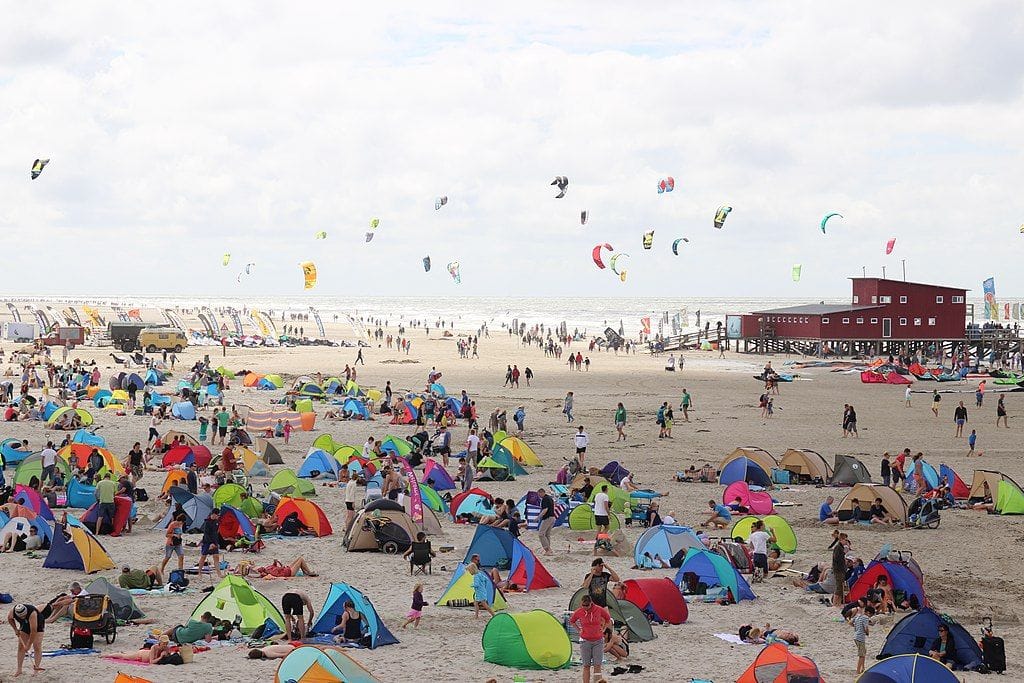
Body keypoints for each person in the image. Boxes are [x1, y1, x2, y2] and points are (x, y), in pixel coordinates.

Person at [569, 594, 612, 683]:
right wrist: (579, 630)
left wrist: (603, 628)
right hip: (585, 641)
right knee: (586, 666)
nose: (585, 607)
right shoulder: (580, 611)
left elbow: (608, 619)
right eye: (583, 605)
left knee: (597, 665)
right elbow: (572, 621)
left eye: (587, 605)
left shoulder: (599, 609)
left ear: (591, 603)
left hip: (598, 641)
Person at [8, 603, 45, 676]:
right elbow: (10, 619)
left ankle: (36, 669)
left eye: (24, 616)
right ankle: (19, 669)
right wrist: (15, 629)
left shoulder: (32, 613)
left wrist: (28, 645)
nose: (23, 617)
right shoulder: (13, 611)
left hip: (38, 625)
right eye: (21, 616)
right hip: (24, 625)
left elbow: (33, 632)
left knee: (37, 645)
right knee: (21, 646)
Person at [197, 509, 224, 580]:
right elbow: (206, 534)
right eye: (217, 515)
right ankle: (199, 572)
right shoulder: (207, 522)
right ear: (214, 514)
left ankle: (219, 574)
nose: (218, 516)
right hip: (207, 542)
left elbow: (216, 533)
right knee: (203, 557)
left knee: (216, 557)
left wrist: (216, 543)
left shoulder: (217, 522)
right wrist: (210, 543)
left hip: (214, 541)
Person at [109, 635, 173, 664]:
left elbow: (169, 657)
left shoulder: (167, 648)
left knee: (127, 654)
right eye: (164, 643)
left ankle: (125, 652)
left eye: (166, 643)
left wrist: (166, 655)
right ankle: (107, 655)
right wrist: (161, 657)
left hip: (145, 653)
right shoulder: (154, 647)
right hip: (141, 655)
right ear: (160, 642)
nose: (165, 645)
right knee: (124, 656)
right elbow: (151, 662)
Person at [852, 605, 874, 674]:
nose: (870, 616)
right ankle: (858, 671)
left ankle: (863, 668)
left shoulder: (858, 616)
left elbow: (851, 623)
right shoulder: (865, 618)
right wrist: (867, 633)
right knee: (861, 655)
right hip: (860, 638)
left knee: (863, 653)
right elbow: (866, 628)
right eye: (870, 615)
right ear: (868, 612)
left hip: (856, 636)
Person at [537, 487, 555, 556]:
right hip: (553, 517)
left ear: (542, 493)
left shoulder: (545, 499)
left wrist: (538, 517)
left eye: (539, 494)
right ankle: (549, 550)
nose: (539, 496)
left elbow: (545, 509)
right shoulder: (550, 498)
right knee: (547, 534)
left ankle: (548, 549)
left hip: (547, 518)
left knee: (541, 534)